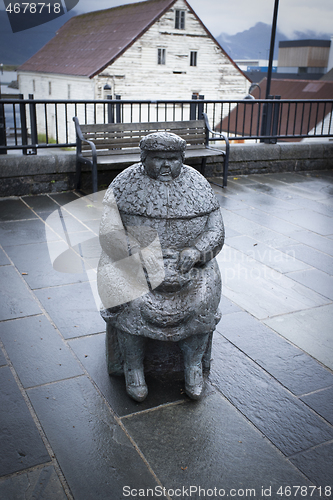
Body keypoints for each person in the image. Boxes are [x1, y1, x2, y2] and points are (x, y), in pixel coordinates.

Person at [97, 132, 224, 402]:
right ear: (144, 158)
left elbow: (216, 229)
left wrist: (198, 251)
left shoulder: (198, 184)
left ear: (182, 159)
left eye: (172, 159)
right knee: (130, 299)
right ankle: (133, 367)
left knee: (204, 297)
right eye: (158, 159)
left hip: (189, 265)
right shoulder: (124, 184)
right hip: (133, 264)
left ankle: (192, 365)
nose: (166, 166)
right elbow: (109, 231)